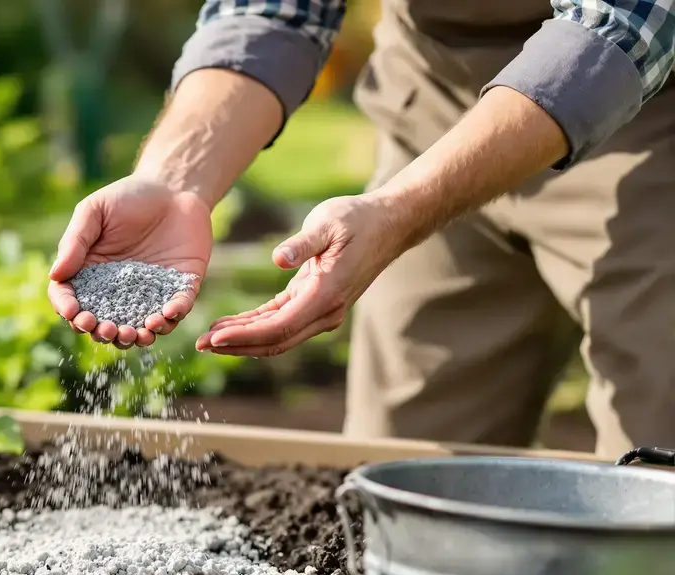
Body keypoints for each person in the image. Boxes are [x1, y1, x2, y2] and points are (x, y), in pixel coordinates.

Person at [47, 0, 675, 457]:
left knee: (653, 465)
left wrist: (398, 211)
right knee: (401, 466)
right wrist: (175, 179)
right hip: (436, 98)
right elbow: (273, 12)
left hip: (648, 124)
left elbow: (619, 29)